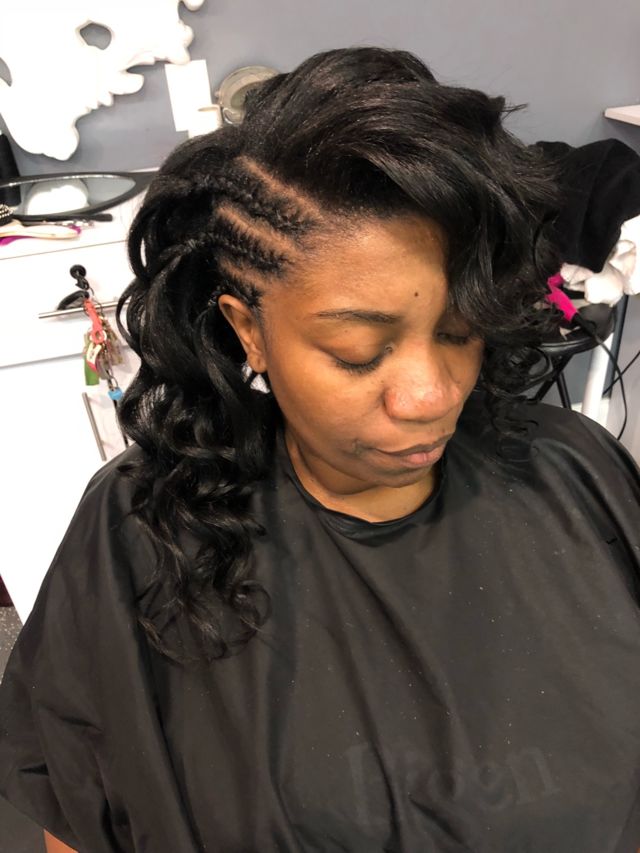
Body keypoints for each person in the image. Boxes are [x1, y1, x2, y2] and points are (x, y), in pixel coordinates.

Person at [1, 46, 639, 853]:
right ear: (248, 330)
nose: (430, 394)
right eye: (357, 352)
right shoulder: (141, 524)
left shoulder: (578, 470)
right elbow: (78, 811)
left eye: (458, 330)